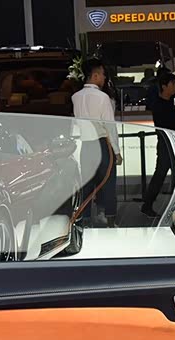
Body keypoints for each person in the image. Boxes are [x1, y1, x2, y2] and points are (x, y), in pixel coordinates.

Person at [71, 58, 122, 228]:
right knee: (108, 184)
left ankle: (84, 223)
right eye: (102, 74)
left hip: (86, 146)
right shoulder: (102, 97)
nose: (104, 78)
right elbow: (110, 127)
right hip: (102, 145)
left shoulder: (75, 97)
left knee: (86, 185)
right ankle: (110, 222)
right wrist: (117, 152)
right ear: (95, 75)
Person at [140, 72, 175, 218]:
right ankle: (151, 205)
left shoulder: (168, 101)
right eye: (173, 84)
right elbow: (168, 123)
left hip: (172, 143)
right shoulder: (159, 104)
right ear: (164, 86)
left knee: (171, 174)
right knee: (166, 174)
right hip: (167, 144)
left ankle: (151, 205)